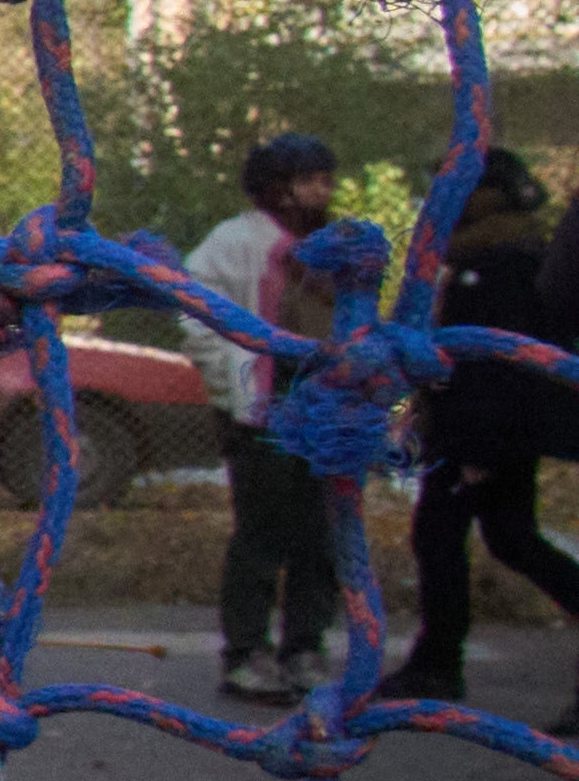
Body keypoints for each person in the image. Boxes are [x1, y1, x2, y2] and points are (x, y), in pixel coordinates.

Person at [389, 148, 579, 712]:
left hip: (483, 431)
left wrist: (479, 448)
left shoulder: (501, 264)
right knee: (510, 537)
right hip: (487, 427)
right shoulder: (497, 255)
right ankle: (435, 662)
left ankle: (436, 665)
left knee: (441, 537)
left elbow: (498, 362)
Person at [189, 126, 355, 703]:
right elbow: (195, 307)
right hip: (260, 403)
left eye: (326, 178)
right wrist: (229, 378)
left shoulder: (336, 243)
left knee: (317, 533)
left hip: (323, 402)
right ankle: (244, 654)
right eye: (310, 179)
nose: (322, 189)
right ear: (277, 186)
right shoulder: (236, 241)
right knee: (261, 531)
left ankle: (304, 647)